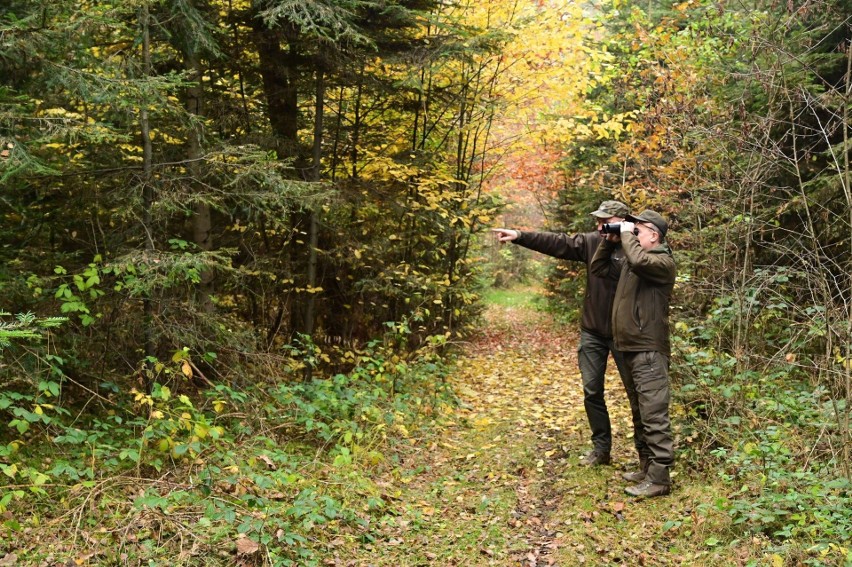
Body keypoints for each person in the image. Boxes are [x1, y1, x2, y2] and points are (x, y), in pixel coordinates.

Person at [492, 200, 641, 467]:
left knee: (636, 394)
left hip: (625, 334)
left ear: (623, 220)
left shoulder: (640, 246)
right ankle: (601, 450)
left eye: (606, 221)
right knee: (591, 390)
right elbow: (558, 242)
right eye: (598, 221)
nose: (600, 226)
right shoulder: (593, 242)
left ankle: (646, 457)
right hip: (593, 332)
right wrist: (519, 236)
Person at [591, 210, 676, 498]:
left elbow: (640, 259)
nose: (634, 232)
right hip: (630, 347)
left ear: (654, 234)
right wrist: (609, 239)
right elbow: (599, 268)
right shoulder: (633, 261)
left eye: (639, 229)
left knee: (654, 413)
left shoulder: (661, 263)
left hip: (648, 349)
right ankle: (646, 466)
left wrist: (627, 234)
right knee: (640, 411)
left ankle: (660, 478)